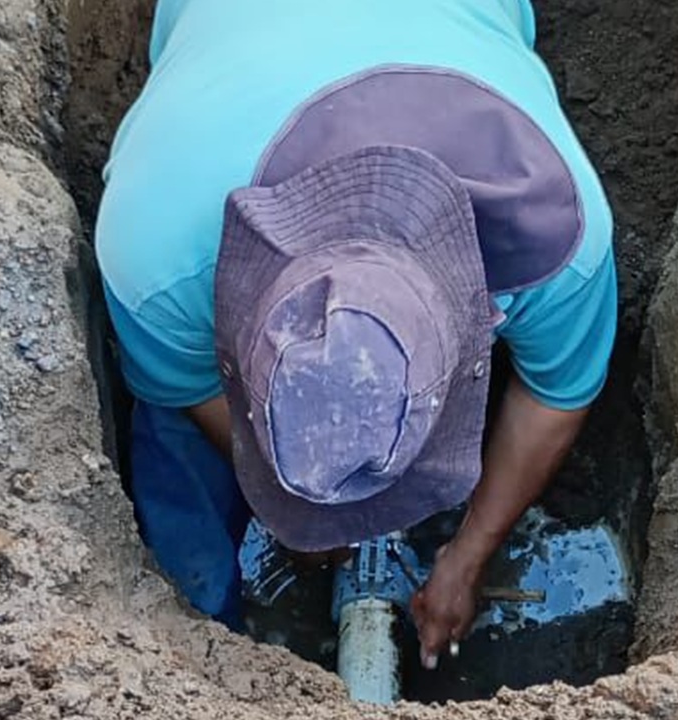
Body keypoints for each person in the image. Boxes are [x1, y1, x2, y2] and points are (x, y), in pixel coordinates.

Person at [95, 0, 617, 670]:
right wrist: (290, 499)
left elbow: (554, 396)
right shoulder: (160, 259)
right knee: (171, 436)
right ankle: (194, 644)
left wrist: (468, 557)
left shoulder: (555, 242)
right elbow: (192, 386)